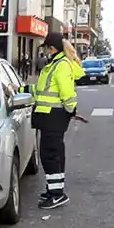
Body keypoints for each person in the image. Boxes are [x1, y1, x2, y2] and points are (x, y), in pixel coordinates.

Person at [31, 32, 83, 209]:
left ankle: (57, 195)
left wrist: (70, 111)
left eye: (46, 48)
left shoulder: (61, 65)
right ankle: (54, 189)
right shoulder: (55, 64)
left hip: (53, 117)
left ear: (51, 48)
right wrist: (20, 88)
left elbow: (67, 93)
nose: (45, 51)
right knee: (54, 154)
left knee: (50, 155)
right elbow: (42, 89)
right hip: (51, 117)